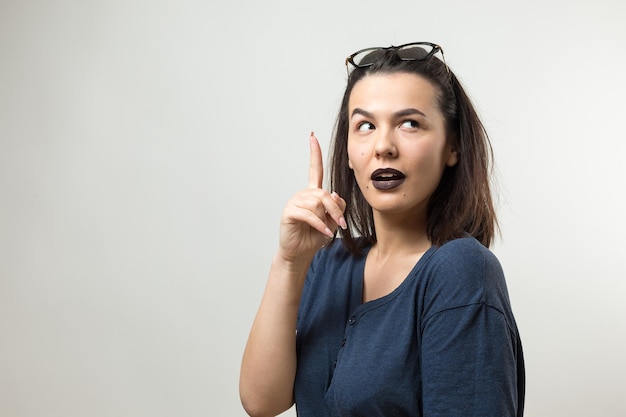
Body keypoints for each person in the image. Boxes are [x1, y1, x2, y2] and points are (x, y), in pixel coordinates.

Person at [239, 42, 525, 417]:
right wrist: (289, 263)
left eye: (410, 123)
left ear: (452, 146)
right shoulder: (329, 264)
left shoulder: (460, 270)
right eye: (365, 126)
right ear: (348, 147)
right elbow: (263, 402)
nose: (383, 146)